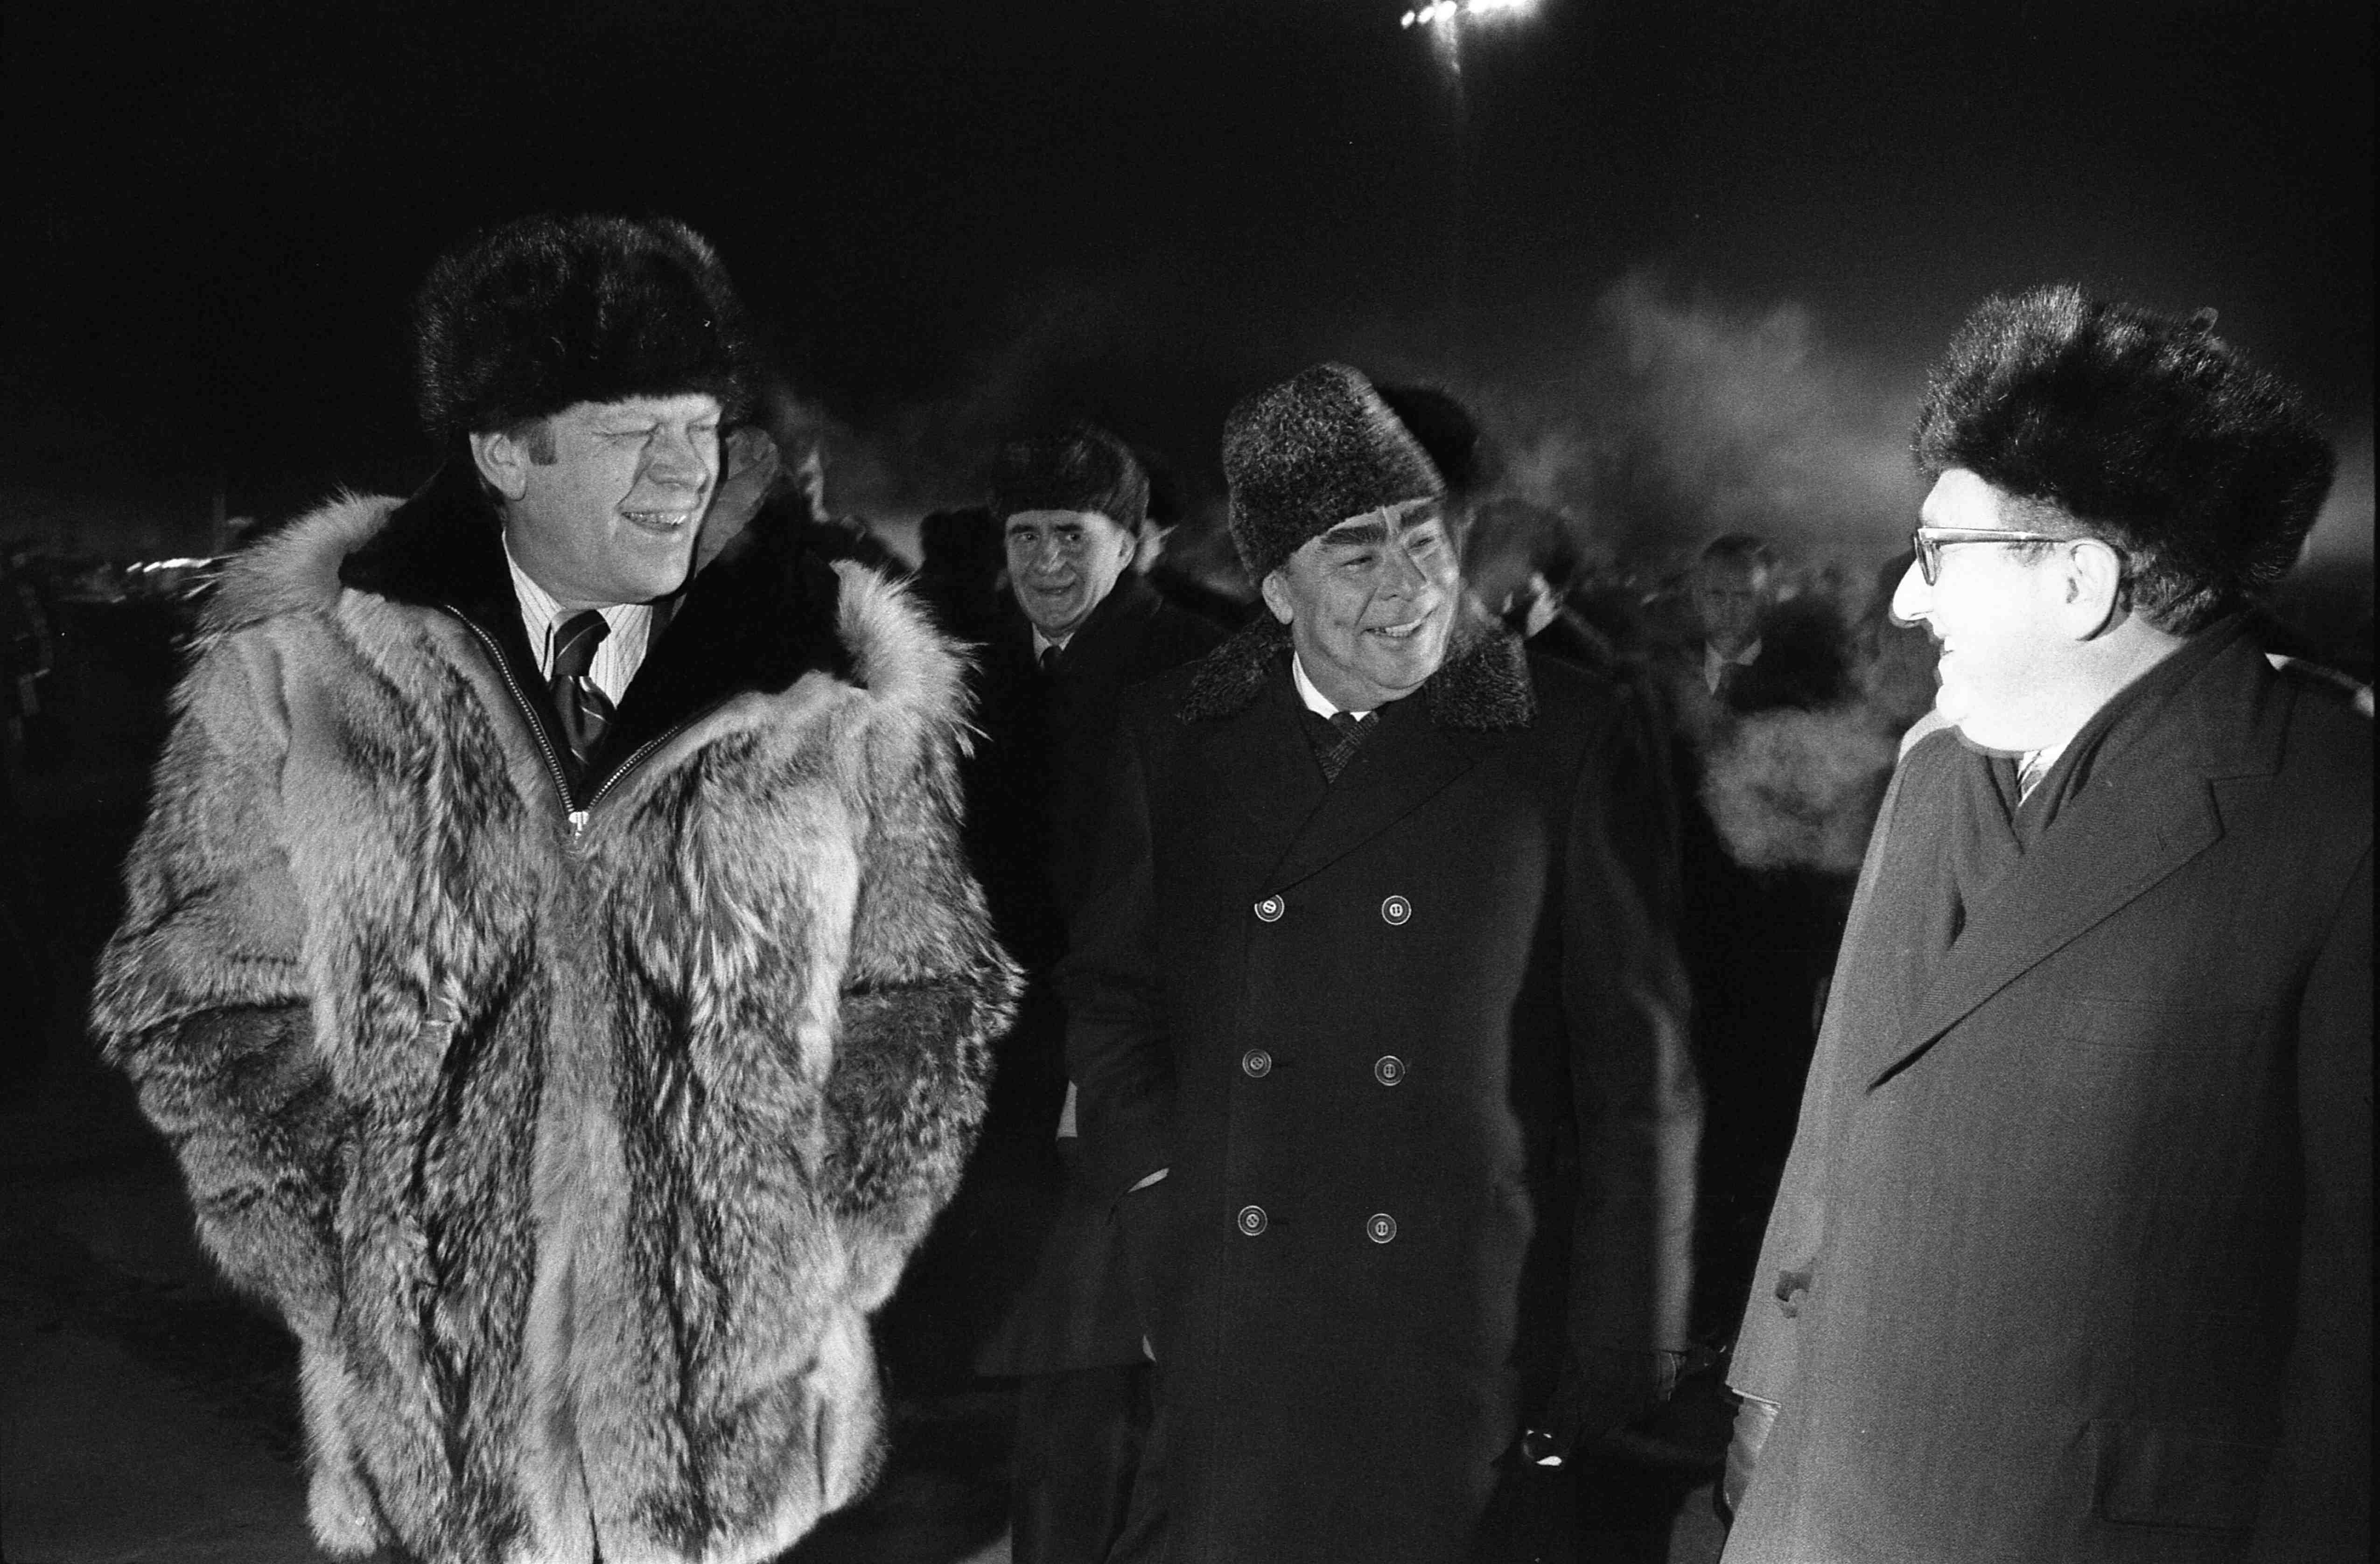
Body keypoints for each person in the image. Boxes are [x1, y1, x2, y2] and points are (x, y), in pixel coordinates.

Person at [88, 214, 1019, 1564]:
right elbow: (196, 1001)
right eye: (629, 436)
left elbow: (926, 989)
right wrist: (352, 1256)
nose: (679, 478)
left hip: (733, 1443)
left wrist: (814, 1242)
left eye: (699, 431)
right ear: (503, 451)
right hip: (442, 1450)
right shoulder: (298, 676)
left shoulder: (834, 687)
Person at [1722, 286, 2370, 1562]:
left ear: (2075, 580)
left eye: (1936, 553)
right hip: (1824, 1507)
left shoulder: (2330, 812)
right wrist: (1761, 1395)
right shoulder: (1931, 771)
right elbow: (1838, 1118)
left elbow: (2352, 1317)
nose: (1906, 607)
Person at [1063, 362, 1699, 1564]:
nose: (1411, 585)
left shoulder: (1562, 731)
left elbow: (1639, 1069)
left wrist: (1623, 1343)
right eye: (1359, 555)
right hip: (1238, 1317)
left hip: (1469, 1329)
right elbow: (1113, 998)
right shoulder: (1177, 732)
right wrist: (1159, 1199)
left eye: (1426, 538)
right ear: (1276, 587)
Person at [964, 425, 1225, 1564]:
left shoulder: (1205, 666)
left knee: (1095, 1362)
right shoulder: (970, 660)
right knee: (1047, 1350)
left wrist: (1116, 1068)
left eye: (1075, 534)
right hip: (1001, 1055)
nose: (1048, 560)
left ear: (1135, 542)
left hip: (1125, 1059)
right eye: (1026, 535)